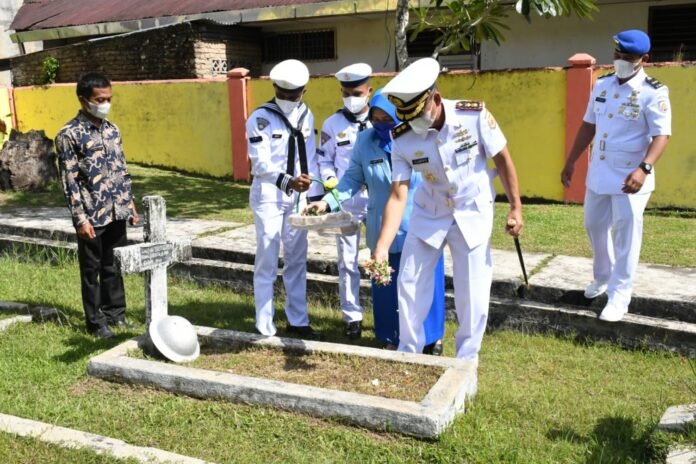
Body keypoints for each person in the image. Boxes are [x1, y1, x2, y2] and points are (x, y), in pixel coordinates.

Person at [373, 58, 524, 361]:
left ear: (437, 99)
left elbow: (503, 159)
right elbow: (398, 194)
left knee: (472, 293)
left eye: (418, 115)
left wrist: (515, 208)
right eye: (407, 117)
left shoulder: (474, 116)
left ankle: (466, 363)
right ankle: (409, 357)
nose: (414, 123)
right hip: (429, 211)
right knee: (409, 283)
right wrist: (382, 247)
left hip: (471, 210)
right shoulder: (402, 138)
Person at [306, 89, 446, 353]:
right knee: (386, 288)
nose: (381, 125)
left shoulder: (419, 138)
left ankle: (431, 338)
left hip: (421, 224)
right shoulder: (365, 141)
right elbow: (351, 179)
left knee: (425, 284)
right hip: (382, 226)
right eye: (376, 119)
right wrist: (327, 201)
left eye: (387, 119)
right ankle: (391, 336)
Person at [562, 29, 671, 322]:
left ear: (644, 59)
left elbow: (662, 136)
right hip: (600, 171)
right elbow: (589, 125)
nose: (621, 60)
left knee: (626, 235)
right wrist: (571, 160)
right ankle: (603, 275)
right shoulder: (602, 84)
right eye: (618, 54)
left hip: (631, 176)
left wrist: (644, 168)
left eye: (628, 57)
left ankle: (620, 296)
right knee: (594, 226)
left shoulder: (653, 91)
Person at [55, 72, 139, 339]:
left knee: (113, 265)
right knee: (92, 270)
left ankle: (116, 315)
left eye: (108, 98)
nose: (105, 104)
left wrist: (129, 202)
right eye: (99, 100)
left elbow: (121, 169)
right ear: (83, 100)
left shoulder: (112, 130)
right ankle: (95, 322)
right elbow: (69, 181)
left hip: (116, 210)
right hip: (92, 213)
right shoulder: (69, 134)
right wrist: (80, 219)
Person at [246, 59, 323, 339]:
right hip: (269, 195)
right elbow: (260, 163)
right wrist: (288, 181)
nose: (289, 99)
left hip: (298, 197)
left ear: (304, 91)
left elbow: (309, 156)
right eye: (283, 94)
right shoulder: (260, 118)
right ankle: (264, 324)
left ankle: (298, 321)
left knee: (297, 258)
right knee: (267, 257)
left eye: (295, 94)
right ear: (275, 89)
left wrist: (314, 195)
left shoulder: (306, 115)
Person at [317, 63, 372, 340]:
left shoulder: (382, 120)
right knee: (347, 261)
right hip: (345, 200)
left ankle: (387, 311)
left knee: (381, 258)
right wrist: (329, 180)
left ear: (369, 91)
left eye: (357, 93)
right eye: (346, 93)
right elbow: (324, 159)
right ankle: (352, 317)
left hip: (377, 199)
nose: (351, 98)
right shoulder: (332, 124)